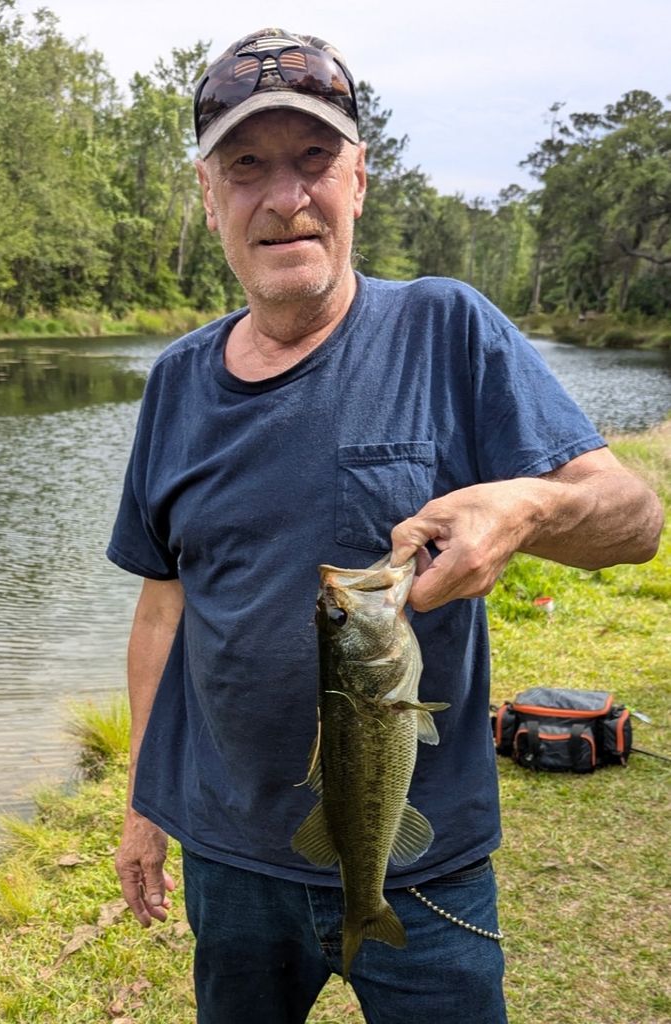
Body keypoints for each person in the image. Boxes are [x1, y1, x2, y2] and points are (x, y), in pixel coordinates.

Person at [106, 27, 663, 1024]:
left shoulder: (448, 330)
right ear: (209, 196)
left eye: (314, 161)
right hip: (231, 863)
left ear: (359, 180)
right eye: (247, 167)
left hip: (426, 868)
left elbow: (636, 519)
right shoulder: (177, 386)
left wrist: (530, 506)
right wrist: (147, 799)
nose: (285, 197)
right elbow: (162, 610)